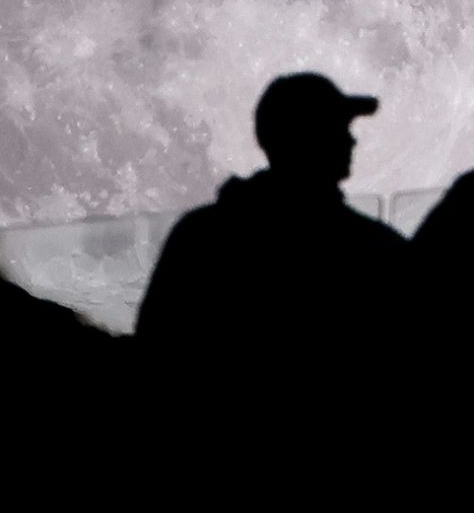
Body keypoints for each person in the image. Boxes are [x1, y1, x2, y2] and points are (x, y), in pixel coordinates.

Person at [135, 73, 409, 397]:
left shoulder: (201, 235)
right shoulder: (370, 247)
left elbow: (155, 353)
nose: (352, 141)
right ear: (308, 138)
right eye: (338, 128)